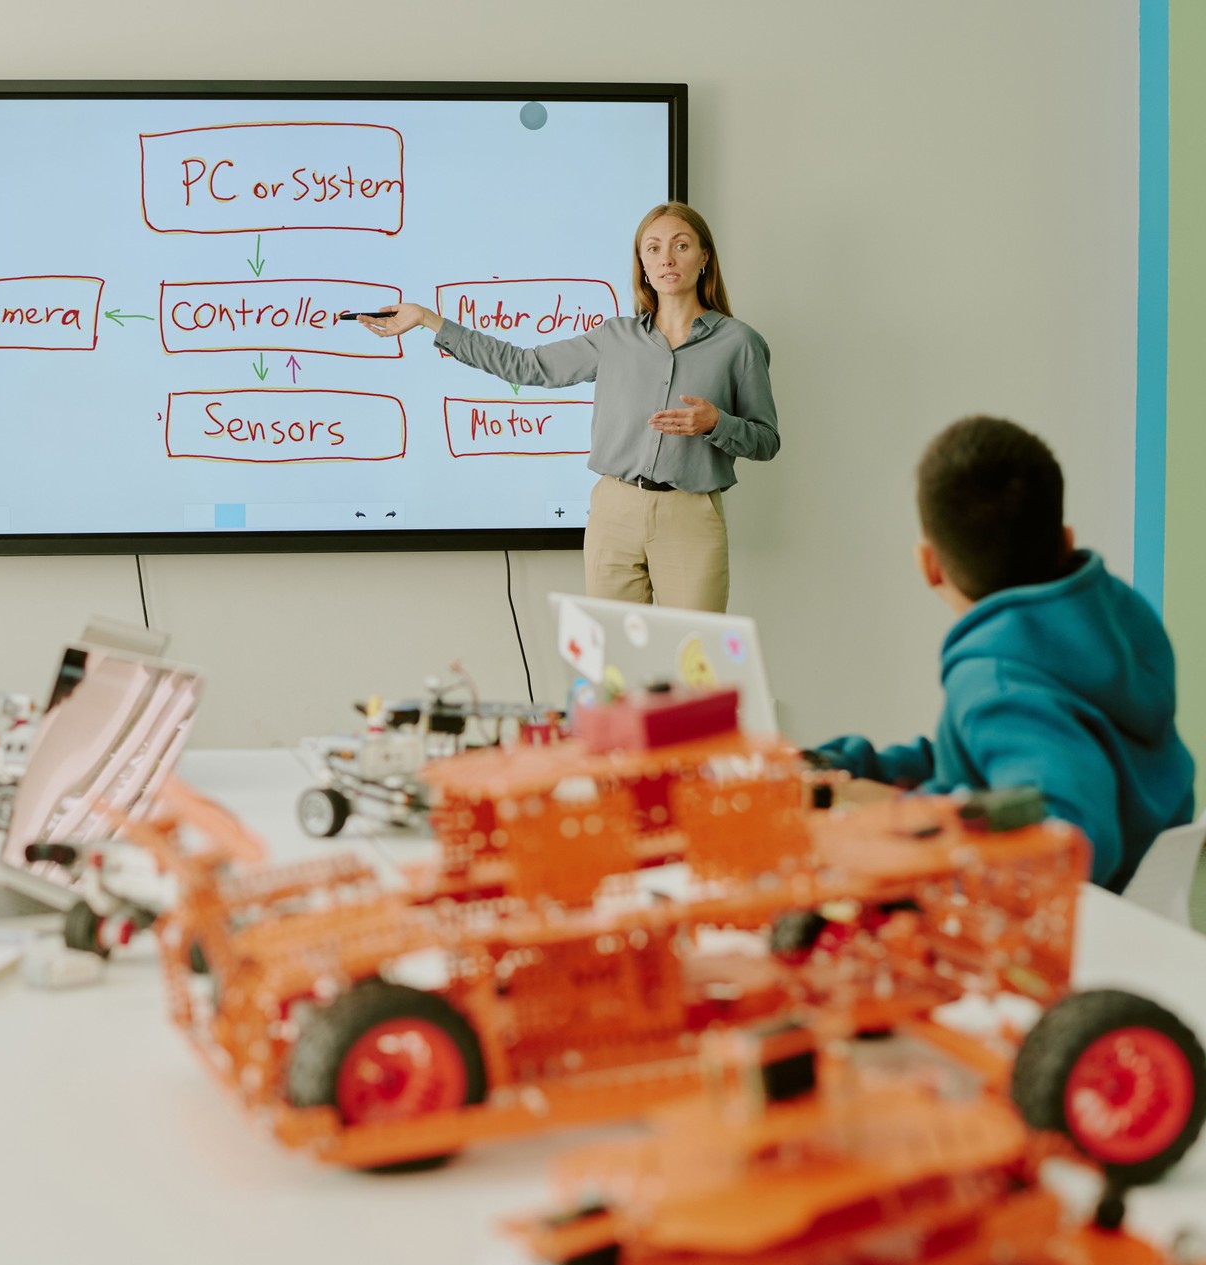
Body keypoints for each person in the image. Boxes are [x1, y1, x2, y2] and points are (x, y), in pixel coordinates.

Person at [813, 416, 1195, 891]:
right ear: (1067, 541)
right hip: (1140, 901)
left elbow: (1068, 833)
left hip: (1065, 929)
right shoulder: (1117, 618)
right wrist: (854, 769)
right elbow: (995, 752)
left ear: (929, 565)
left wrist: (908, 816)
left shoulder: (997, 682)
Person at [361, 201, 777, 611]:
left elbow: (766, 441)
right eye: (653, 248)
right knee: (610, 663)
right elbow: (526, 365)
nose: (666, 258)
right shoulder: (614, 338)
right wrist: (431, 321)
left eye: (680, 245)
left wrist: (716, 423)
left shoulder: (739, 343)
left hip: (691, 516)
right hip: (614, 513)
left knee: (692, 663)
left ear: (704, 256)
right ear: (642, 265)